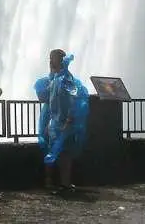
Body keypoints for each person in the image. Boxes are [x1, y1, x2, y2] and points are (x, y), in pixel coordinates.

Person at [34, 49, 89, 195]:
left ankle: (59, 183)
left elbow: (71, 100)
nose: (50, 61)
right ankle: (59, 182)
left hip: (60, 123)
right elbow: (45, 98)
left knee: (60, 153)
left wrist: (68, 119)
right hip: (56, 122)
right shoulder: (56, 79)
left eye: (53, 59)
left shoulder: (62, 79)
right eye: (50, 58)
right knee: (58, 152)